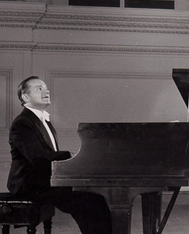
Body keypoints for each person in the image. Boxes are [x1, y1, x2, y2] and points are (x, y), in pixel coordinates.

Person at [7, 76, 112, 234]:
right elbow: (38, 158)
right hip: (28, 184)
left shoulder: (44, 121)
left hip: (43, 180)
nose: (46, 90)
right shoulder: (22, 123)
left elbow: (48, 157)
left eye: (46, 87)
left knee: (95, 198)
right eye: (39, 88)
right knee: (86, 201)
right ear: (25, 97)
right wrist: (71, 156)